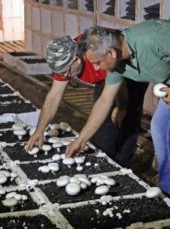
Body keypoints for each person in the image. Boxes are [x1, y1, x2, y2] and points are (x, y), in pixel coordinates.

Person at [65, 20, 170, 210]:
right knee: (160, 127)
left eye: (97, 63)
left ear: (111, 52)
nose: (96, 69)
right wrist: (81, 140)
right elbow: (104, 102)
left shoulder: (152, 36)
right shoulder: (116, 63)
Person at [25, 35, 148, 167]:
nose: (64, 77)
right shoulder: (64, 61)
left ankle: (123, 165)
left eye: (66, 73)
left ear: (77, 60)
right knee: (104, 126)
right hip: (105, 79)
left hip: (130, 72)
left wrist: (122, 106)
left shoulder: (99, 55)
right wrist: (40, 130)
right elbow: (53, 96)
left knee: (128, 118)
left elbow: (116, 89)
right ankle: (107, 162)